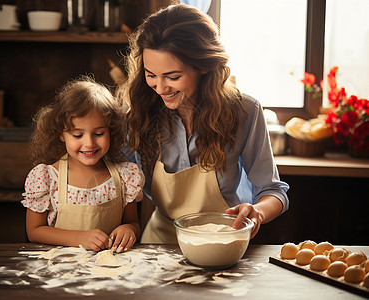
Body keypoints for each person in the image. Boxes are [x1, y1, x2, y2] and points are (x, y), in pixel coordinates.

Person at [119, 4, 289, 243]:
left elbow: (274, 192)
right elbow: (121, 187)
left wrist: (257, 212)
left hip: (224, 242)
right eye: (150, 74)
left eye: (173, 76)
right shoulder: (138, 113)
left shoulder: (245, 111)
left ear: (205, 65)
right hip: (160, 246)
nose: (160, 87)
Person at [22, 77, 145, 252]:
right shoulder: (47, 178)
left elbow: (133, 223)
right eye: (78, 135)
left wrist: (129, 230)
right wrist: (79, 238)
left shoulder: (124, 176)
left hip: (111, 269)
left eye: (99, 133)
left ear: (112, 130)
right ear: (61, 134)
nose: (89, 143)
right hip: (60, 268)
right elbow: (34, 231)